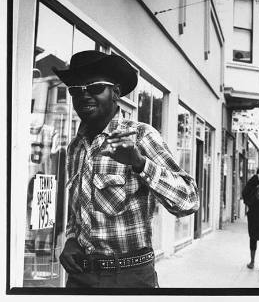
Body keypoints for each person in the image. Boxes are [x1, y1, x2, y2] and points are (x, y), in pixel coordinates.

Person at [53, 50, 199, 288]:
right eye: (76, 90)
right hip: (80, 277)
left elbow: (189, 201)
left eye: (95, 87)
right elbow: (78, 209)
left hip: (130, 277)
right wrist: (71, 239)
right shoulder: (75, 147)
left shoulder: (141, 136)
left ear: (116, 93)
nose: (84, 95)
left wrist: (140, 163)